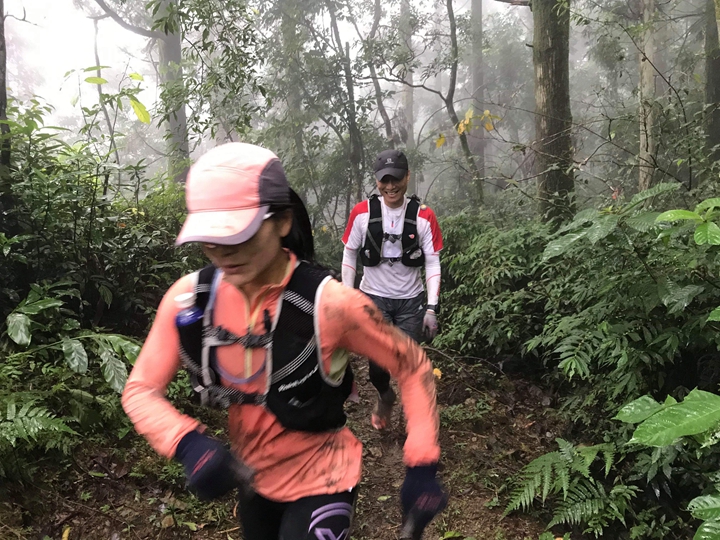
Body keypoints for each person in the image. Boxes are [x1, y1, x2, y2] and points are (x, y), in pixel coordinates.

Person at [121, 143, 446, 540]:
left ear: (281, 221)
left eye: (239, 234)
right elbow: (140, 390)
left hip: (325, 476)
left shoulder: (331, 304)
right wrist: (188, 444)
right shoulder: (190, 299)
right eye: (210, 238)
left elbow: (410, 365)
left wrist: (422, 464)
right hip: (255, 480)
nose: (223, 252)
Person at [341, 149, 443, 431]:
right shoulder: (362, 213)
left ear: (407, 177)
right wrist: (348, 297)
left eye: (396, 179)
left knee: (408, 364)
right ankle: (385, 395)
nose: (390, 186)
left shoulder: (424, 216)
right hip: (374, 299)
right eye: (384, 180)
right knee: (377, 367)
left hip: (411, 302)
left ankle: (414, 421)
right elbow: (350, 255)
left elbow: (433, 262)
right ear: (376, 181)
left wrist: (431, 308)